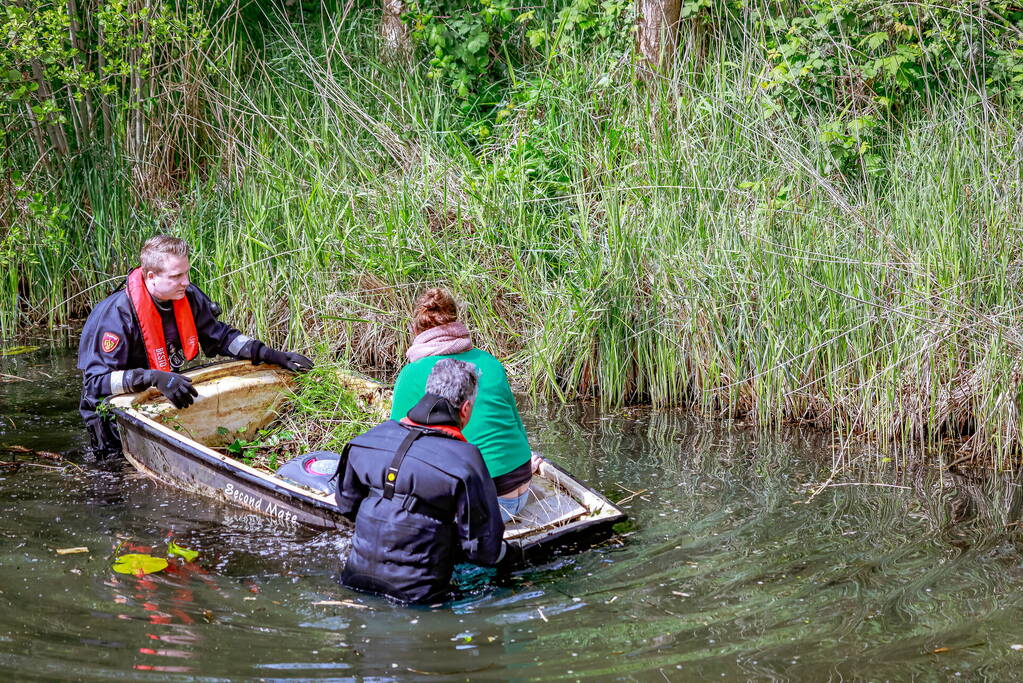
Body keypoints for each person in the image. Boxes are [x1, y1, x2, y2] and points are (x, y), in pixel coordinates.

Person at [77, 235, 313, 457]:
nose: (186, 282)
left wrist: (269, 354)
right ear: (151, 277)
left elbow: (220, 337)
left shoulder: (187, 296)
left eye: (186, 273)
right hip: (111, 414)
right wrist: (153, 377)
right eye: (176, 276)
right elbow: (96, 382)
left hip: (159, 396)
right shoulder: (114, 316)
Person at [335, 358, 506, 604]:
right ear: (466, 409)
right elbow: (483, 550)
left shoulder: (366, 441)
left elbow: (346, 506)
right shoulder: (466, 461)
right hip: (419, 598)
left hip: (353, 581)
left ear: (428, 391)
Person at [390, 288, 537, 522]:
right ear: (456, 323)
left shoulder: (412, 373)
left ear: (416, 331)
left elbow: (394, 443)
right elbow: (517, 427)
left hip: (484, 501)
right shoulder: (490, 361)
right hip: (521, 485)